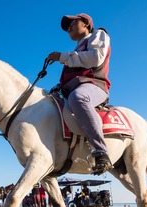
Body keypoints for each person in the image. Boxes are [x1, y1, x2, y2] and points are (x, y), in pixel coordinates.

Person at [46, 13, 112, 175]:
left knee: (79, 98)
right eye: (67, 26)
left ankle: (101, 151)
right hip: (75, 87)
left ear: (87, 24)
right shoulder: (77, 48)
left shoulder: (98, 34)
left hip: (95, 86)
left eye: (73, 22)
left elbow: (96, 58)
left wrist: (62, 57)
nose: (69, 28)